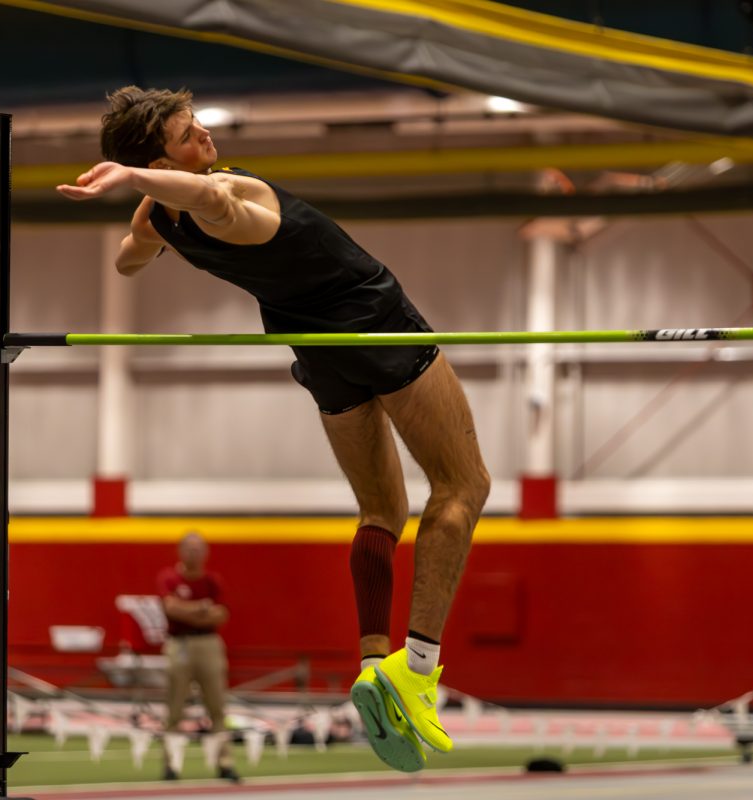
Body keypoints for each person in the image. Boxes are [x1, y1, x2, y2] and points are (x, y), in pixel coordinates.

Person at [58, 86, 491, 773]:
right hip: (372, 317)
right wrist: (139, 179)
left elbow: (126, 261)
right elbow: (211, 203)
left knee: (381, 508)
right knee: (463, 486)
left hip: (312, 344)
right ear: (159, 157)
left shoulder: (160, 218)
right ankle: (421, 670)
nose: (202, 133)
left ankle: (375, 662)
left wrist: (141, 205)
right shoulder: (231, 196)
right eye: (185, 131)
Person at [156, 531, 239, 782]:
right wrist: (201, 608)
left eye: (198, 549)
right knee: (174, 708)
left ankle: (224, 763)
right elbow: (170, 609)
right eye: (189, 549)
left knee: (217, 707)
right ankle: (171, 765)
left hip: (208, 645)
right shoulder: (169, 578)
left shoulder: (213, 581)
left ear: (206, 553)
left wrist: (187, 611)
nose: (194, 553)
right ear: (180, 551)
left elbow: (221, 615)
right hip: (179, 645)